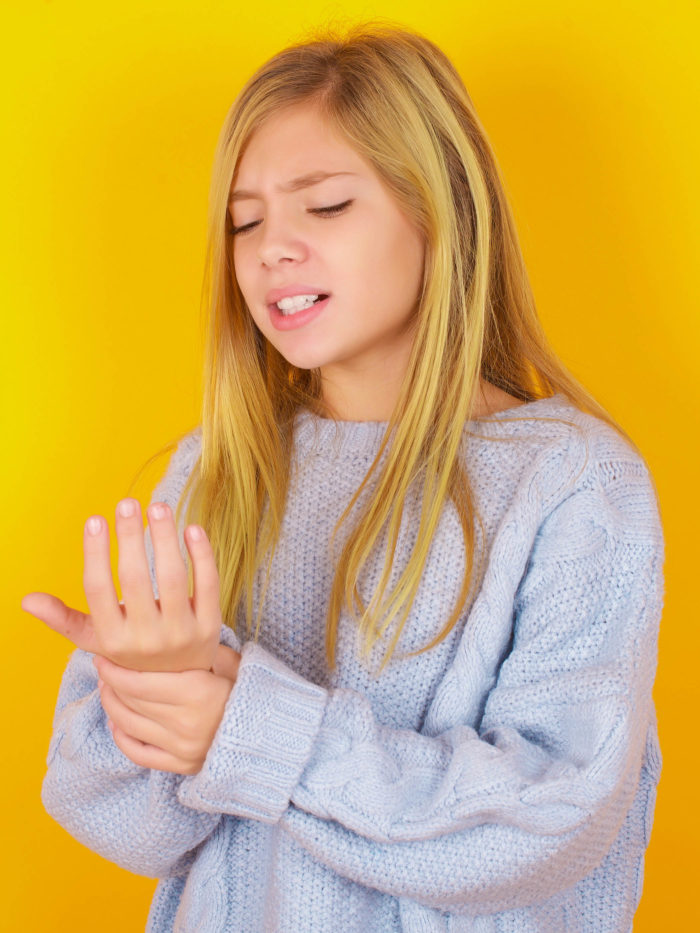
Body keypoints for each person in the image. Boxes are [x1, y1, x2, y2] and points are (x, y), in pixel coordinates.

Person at [22, 21, 665, 933]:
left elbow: (551, 819)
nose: (269, 249)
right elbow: (123, 826)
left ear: (439, 212)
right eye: (245, 221)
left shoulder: (572, 482)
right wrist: (151, 691)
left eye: (324, 206)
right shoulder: (212, 470)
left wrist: (241, 721)